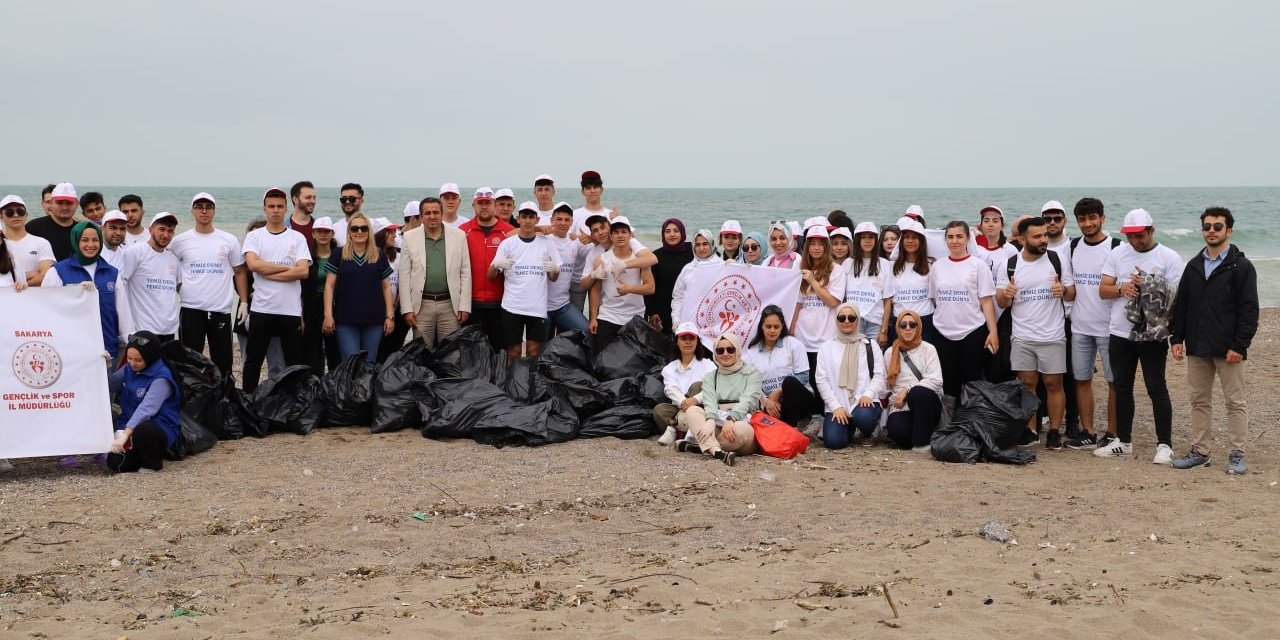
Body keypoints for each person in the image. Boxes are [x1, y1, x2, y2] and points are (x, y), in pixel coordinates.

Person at [1170, 207, 1257, 475]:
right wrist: (1177, 337)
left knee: (1235, 402)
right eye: (1207, 226)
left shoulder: (1241, 267)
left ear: (1228, 231)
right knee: (1199, 400)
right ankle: (1200, 452)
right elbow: (1182, 304)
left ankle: (1237, 454)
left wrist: (1239, 345)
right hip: (1198, 346)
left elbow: (1249, 310)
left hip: (1229, 348)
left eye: (1217, 227)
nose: (1211, 231)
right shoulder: (1194, 266)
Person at [1093, 209, 1184, 463]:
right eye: (1130, 236)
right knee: (1122, 386)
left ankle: (1164, 445)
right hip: (1120, 330)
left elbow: (1179, 297)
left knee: (1157, 387)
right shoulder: (1117, 254)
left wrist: (1150, 284)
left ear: (1152, 230)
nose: (1135, 241)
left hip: (1153, 333)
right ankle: (1123, 441)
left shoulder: (1169, 257)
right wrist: (1123, 288)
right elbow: (1103, 290)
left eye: (1140, 235)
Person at [994, 216, 1076, 449]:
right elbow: (1001, 302)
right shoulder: (1010, 264)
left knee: (1053, 383)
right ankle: (1030, 430)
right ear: (1022, 239)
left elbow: (1071, 293)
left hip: (1052, 334)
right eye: (1037, 236)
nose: (1043, 240)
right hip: (1022, 335)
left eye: (1045, 236)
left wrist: (1064, 290)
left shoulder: (1056, 259)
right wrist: (1006, 294)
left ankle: (1054, 431)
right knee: (1027, 384)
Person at [170, 193, 249, 378]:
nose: (204, 211)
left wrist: (244, 301)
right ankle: (191, 401)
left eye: (208, 207)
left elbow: (239, 271)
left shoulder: (228, 239)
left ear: (214, 211)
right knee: (190, 362)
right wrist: (178, 288)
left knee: (223, 363)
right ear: (192, 211)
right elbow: (167, 267)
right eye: (199, 207)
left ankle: (224, 401)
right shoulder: (180, 241)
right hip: (191, 309)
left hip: (220, 310)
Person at [241, 188, 310, 394]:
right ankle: (249, 401)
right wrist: (290, 269)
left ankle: (293, 404)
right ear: (265, 208)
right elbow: (253, 265)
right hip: (262, 309)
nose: (276, 211)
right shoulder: (255, 236)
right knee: (253, 361)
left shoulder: (297, 238)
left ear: (286, 208)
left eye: (280, 206)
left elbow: (304, 271)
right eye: (271, 206)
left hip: (290, 311)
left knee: (294, 364)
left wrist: (268, 270)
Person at [1064, 198, 1120, 450]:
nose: (1088, 224)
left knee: (1114, 381)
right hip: (1080, 326)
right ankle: (1088, 431)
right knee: (1081, 379)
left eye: (1092, 218)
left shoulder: (1116, 247)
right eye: (1083, 219)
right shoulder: (1072, 246)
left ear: (1102, 218)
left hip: (1110, 328)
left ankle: (1113, 432)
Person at [930, 221, 999, 402]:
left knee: (972, 380)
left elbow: (986, 301)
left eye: (959, 236)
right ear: (945, 240)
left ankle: (970, 420)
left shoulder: (978, 265)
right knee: (948, 380)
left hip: (972, 331)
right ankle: (950, 421)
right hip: (942, 331)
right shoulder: (937, 267)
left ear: (968, 238)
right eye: (950, 237)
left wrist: (993, 332)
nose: (955, 241)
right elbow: (934, 298)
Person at [676, 333, 762, 466]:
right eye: (720, 350)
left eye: (730, 349)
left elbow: (748, 400)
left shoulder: (751, 374)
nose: (725, 353)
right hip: (717, 421)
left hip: (743, 422)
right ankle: (716, 451)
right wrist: (710, 421)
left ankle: (701, 446)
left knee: (739, 431)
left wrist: (731, 419)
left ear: (737, 350)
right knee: (692, 411)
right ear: (715, 354)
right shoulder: (711, 376)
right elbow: (709, 400)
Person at [40, 221, 121, 361]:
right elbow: (46, 310)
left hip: (107, 349)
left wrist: (125, 343)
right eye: (84, 240)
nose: (91, 245)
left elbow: (122, 312)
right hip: (70, 350)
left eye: (95, 240)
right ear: (75, 241)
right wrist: (74, 290)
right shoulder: (57, 272)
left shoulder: (112, 273)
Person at [489, 202, 559, 364]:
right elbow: (490, 275)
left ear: (537, 219)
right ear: (518, 219)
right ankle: (510, 384)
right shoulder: (507, 244)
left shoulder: (547, 243)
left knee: (534, 350)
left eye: (531, 217)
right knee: (513, 351)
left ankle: (531, 384)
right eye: (524, 217)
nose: (528, 221)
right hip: (512, 306)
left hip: (537, 306)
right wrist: (496, 265)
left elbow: (554, 277)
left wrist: (554, 269)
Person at [399, 197, 472, 349]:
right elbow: (404, 276)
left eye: (436, 212)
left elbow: (465, 272)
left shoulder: (458, 236)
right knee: (421, 353)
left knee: (450, 353)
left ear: (442, 214)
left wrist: (464, 305)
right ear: (421, 216)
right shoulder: (409, 237)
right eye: (427, 213)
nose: (432, 216)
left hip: (450, 305)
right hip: (422, 307)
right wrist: (407, 309)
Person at [790, 225, 846, 421]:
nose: (815, 248)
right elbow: (797, 303)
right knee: (809, 378)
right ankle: (813, 417)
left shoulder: (836, 270)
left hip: (826, 336)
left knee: (825, 377)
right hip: (803, 335)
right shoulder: (800, 270)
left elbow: (832, 301)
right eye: (811, 244)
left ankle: (827, 415)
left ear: (826, 246)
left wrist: (813, 281)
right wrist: (791, 330)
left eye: (820, 244)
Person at [322, 212, 394, 364]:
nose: (359, 232)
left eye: (363, 228)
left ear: (369, 231)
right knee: (350, 363)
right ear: (349, 232)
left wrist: (389, 316)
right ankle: (351, 389)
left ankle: (366, 389)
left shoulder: (378, 254)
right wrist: (328, 315)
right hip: (345, 319)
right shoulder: (339, 254)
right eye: (355, 229)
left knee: (369, 364)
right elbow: (329, 286)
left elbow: (386, 286)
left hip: (374, 319)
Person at [106, 332, 182, 473]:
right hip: (127, 424)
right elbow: (110, 385)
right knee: (114, 463)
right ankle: (137, 454)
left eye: (138, 360)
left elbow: (147, 409)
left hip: (157, 426)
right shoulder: (129, 368)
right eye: (129, 358)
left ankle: (152, 463)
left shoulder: (161, 377)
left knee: (145, 431)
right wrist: (106, 366)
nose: (133, 363)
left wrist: (124, 436)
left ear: (149, 357)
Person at [815, 303, 886, 449]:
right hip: (838, 405)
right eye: (842, 318)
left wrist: (868, 394)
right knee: (834, 442)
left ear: (857, 320)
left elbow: (879, 375)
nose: (846, 321)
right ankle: (849, 427)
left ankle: (867, 432)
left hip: (863, 402)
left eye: (851, 317)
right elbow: (822, 380)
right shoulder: (826, 348)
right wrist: (835, 407)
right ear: (837, 321)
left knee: (863, 417)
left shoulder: (870, 345)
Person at [586, 217, 655, 351]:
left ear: (630, 235)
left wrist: (630, 289)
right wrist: (593, 318)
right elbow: (595, 291)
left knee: (634, 361)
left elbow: (650, 288)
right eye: (616, 232)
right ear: (611, 236)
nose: (620, 236)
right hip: (608, 316)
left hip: (635, 317)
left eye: (624, 232)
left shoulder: (641, 260)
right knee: (605, 360)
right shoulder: (601, 260)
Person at [459, 187, 514, 350]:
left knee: (500, 349)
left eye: (488, 203)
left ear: (495, 205)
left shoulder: (509, 231)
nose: (484, 207)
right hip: (472, 303)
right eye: (480, 203)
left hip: (501, 303)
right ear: (473, 206)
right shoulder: (463, 231)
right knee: (474, 351)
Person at [743, 304, 814, 431]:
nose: (772, 330)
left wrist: (780, 390)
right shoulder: (751, 353)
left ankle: (793, 430)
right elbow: (749, 384)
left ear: (782, 327)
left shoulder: (794, 344)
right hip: (772, 405)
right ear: (761, 327)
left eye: (776, 327)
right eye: (768, 326)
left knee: (789, 382)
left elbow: (803, 376)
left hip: (799, 401)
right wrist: (766, 401)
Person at [883, 310, 943, 452]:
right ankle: (924, 435)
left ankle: (921, 444)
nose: (908, 328)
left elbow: (936, 380)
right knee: (898, 432)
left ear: (919, 326)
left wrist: (908, 389)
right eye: (903, 325)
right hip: (901, 407)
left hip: (927, 404)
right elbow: (886, 386)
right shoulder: (890, 353)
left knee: (918, 392)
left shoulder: (929, 349)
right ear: (898, 328)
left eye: (912, 324)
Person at [117, 212, 181, 342]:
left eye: (170, 231)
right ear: (151, 229)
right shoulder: (135, 252)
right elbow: (119, 286)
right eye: (161, 229)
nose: (165, 235)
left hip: (168, 330)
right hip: (143, 329)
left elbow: (179, 289)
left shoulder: (173, 259)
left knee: (164, 363)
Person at [653, 322, 716, 445]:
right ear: (677, 341)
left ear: (697, 341)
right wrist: (685, 402)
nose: (688, 342)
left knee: (698, 386)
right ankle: (688, 430)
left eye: (691, 338)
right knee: (659, 410)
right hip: (678, 407)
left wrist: (695, 400)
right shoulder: (669, 368)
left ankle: (675, 428)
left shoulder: (708, 364)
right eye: (683, 338)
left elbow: (714, 388)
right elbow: (670, 389)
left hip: (702, 408)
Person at [543, 203, 591, 340]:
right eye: (559, 219)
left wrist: (591, 239)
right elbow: (516, 234)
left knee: (586, 331)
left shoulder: (575, 242)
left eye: (567, 220)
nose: (562, 223)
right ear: (552, 220)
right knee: (541, 347)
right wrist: (536, 229)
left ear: (571, 222)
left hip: (563, 305)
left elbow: (601, 248)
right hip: (541, 306)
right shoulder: (542, 240)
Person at [845, 221, 895, 347]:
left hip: (875, 323)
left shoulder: (884, 264)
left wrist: (884, 330)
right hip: (852, 321)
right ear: (857, 240)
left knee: (875, 362)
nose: (867, 241)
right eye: (863, 237)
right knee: (854, 360)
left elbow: (887, 299)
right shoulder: (848, 264)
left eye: (871, 237)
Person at [302, 217, 341, 375]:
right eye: (320, 231)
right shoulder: (307, 258)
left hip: (336, 306)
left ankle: (333, 389)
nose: (323, 234)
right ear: (313, 233)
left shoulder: (340, 257)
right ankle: (315, 389)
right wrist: (301, 316)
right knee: (313, 353)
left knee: (335, 352)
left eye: (327, 231)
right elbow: (300, 290)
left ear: (332, 233)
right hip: (312, 307)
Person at [890, 217, 936, 344]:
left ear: (922, 241)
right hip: (900, 321)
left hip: (924, 321)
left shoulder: (931, 265)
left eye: (915, 237)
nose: (910, 241)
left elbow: (935, 297)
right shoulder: (891, 265)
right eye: (907, 237)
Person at [647, 218, 693, 333]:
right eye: (667, 231)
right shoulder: (655, 256)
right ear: (663, 234)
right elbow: (649, 286)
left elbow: (711, 256)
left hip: (690, 307)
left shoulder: (692, 251)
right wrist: (652, 312)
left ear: (682, 233)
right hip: (663, 312)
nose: (672, 234)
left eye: (676, 231)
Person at [670, 228, 724, 325]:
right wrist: (676, 319)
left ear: (712, 244)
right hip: (689, 322)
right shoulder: (688, 269)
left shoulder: (723, 267)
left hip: (714, 322)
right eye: (697, 245)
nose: (701, 248)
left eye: (705, 244)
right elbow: (678, 297)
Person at [0, 195, 55, 286]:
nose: (16, 215)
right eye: (10, 212)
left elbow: (47, 274)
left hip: (34, 298)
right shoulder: (1, 245)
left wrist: (23, 285)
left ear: (26, 215)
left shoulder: (41, 243)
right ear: (1, 215)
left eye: (20, 211)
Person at [25, 182, 79, 260]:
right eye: (59, 203)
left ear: (77, 204)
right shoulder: (33, 228)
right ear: (51, 203)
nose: (64, 207)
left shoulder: (82, 231)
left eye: (69, 203)